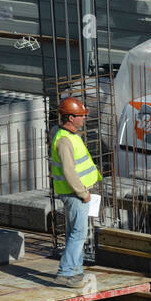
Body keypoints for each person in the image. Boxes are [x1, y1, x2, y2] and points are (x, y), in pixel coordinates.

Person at [49, 97, 102, 290]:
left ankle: (76, 269)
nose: (83, 119)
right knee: (78, 233)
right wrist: (82, 193)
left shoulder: (68, 135)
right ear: (70, 117)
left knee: (75, 233)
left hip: (75, 192)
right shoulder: (64, 140)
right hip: (75, 193)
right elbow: (69, 171)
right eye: (80, 116)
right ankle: (66, 273)